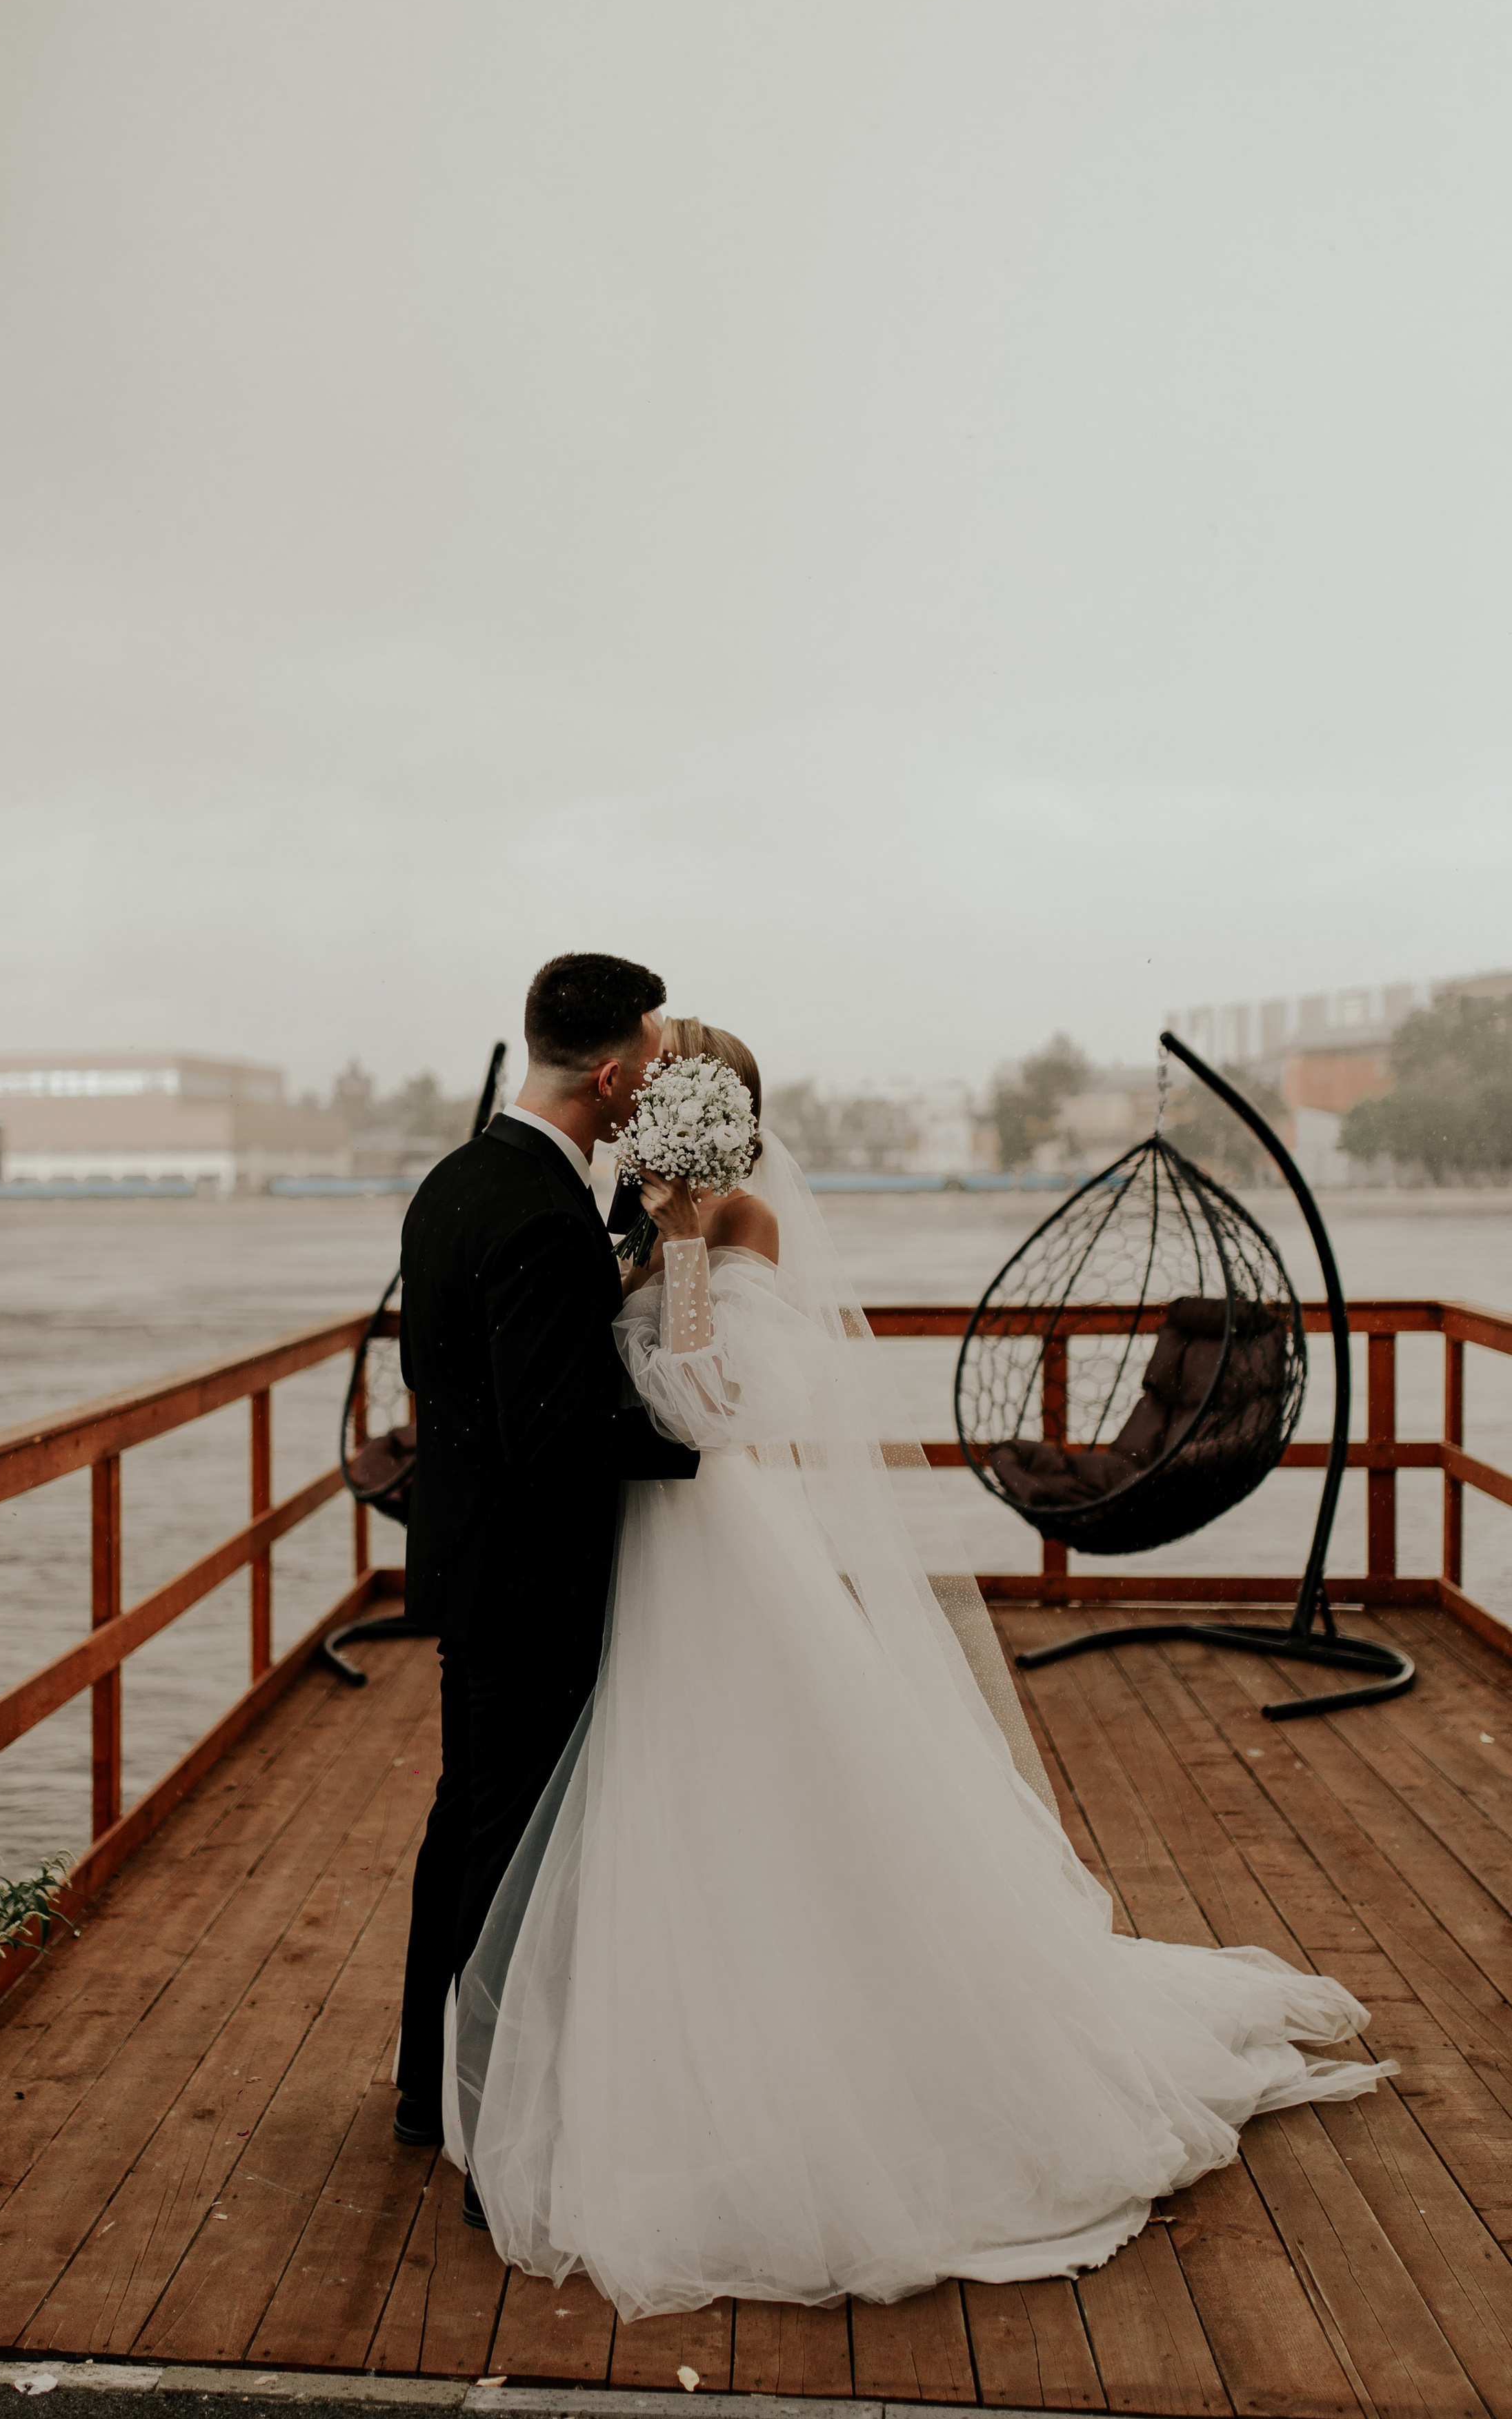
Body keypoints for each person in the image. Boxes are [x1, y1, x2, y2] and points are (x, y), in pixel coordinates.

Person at [448, 1020, 1393, 2320]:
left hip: (717, 1541)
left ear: (710, 1118)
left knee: (748, 1777)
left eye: (664, 1099)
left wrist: (678, 1241)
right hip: (641, 1551)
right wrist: (645, 1237)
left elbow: (732, 1410)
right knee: (670, 1802)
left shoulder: (738, 1227)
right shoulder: (631, 1215)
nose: (640, 1117)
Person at [392, 954, 700, 2201]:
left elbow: (435, 1367)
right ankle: (491, 2130)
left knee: (466, 1822)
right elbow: (553, 1435)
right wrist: (690, 1444)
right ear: (616, 1074)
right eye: (657, 1063)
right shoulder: (539, 1213)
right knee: (517, 1844)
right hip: (531, 1578)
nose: (659, 1086)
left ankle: (430, 2087)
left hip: (468, 1557)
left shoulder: (456, 1180)